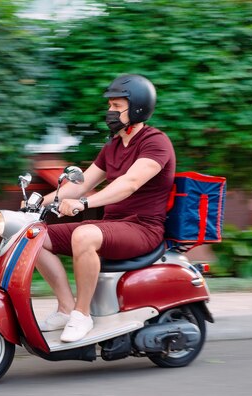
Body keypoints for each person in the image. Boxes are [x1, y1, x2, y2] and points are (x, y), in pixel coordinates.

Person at [37, 74, 176, 343]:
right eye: (109, 106)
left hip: (143, 228)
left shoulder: (155, 142)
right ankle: (66, 308)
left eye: (116, 106)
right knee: (34, 237)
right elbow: (81, 184)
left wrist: (84, 204)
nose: (109, 112)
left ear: (136, 108)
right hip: (112, 225)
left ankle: (82, 314)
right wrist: (40, 201)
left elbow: (129, 183)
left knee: (84, 234)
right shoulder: (112, 145)